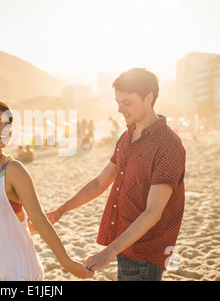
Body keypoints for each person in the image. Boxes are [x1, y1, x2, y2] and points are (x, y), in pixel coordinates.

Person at [47, 68, 186, 281]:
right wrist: (61, 210)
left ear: (149, 98)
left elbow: (153, 211)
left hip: (144, 253)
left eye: (127, 102)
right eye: (118, 101)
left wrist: (109, 251)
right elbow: (100, 183)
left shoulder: (168, 145)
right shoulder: (126, 137)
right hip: (124, 244)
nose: (120, 109)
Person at [0, 100, 93, 281]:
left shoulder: (13, 171)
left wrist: (66, 262)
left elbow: (39, 219)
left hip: (19, 270)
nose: (5, 130)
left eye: (8, 125)